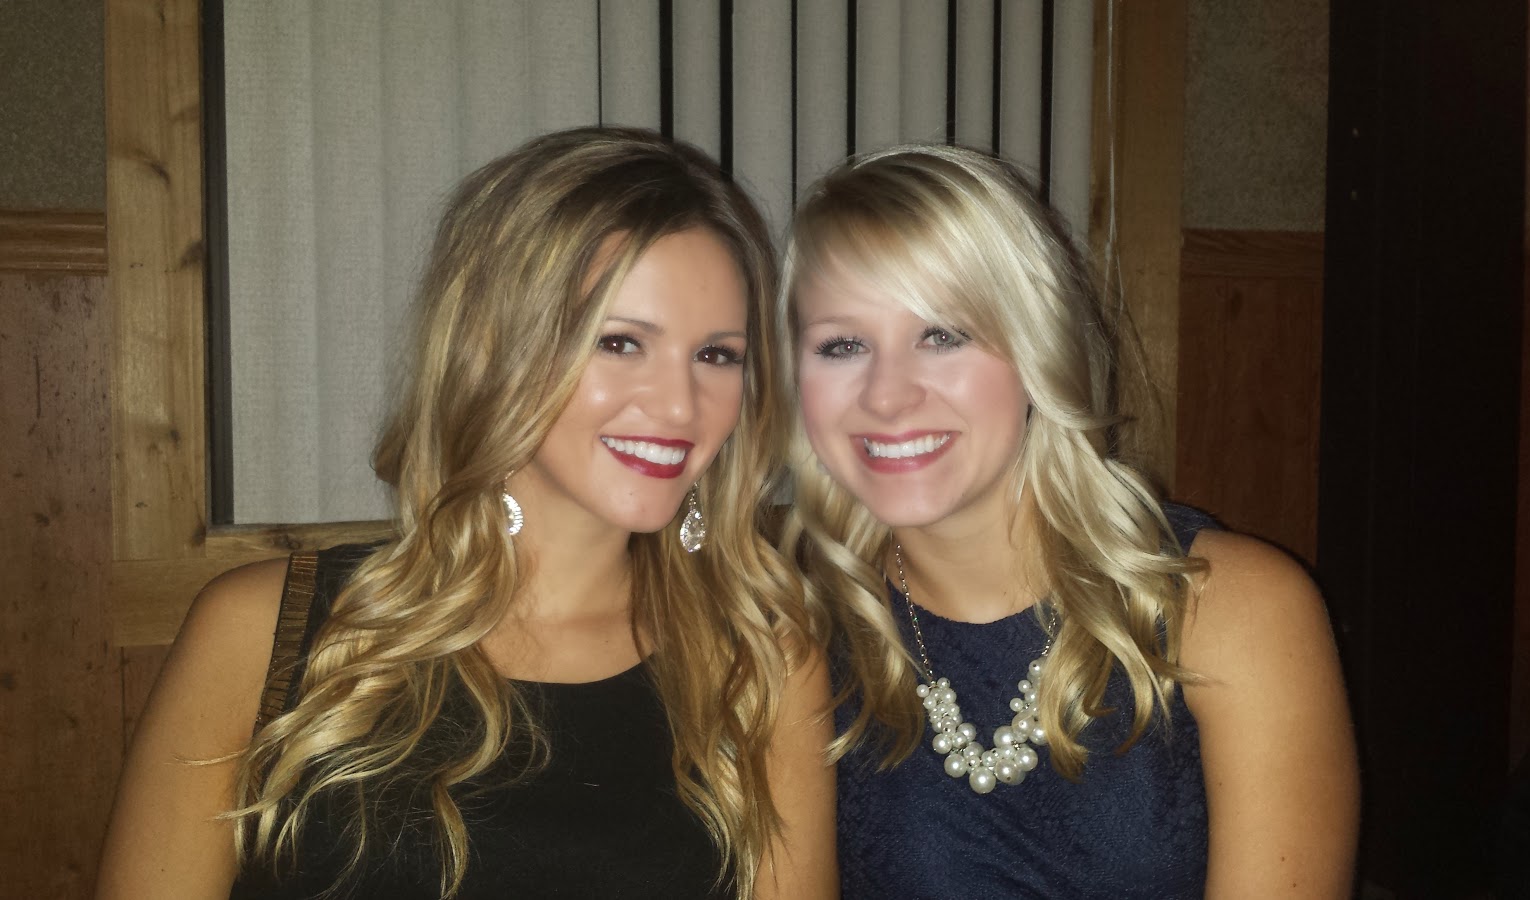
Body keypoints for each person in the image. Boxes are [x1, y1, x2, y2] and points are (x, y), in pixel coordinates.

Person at [96, 127, 836, 900]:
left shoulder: (764, 663)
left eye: (717, 355)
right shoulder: (261, 631)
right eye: (619, 343)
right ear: (490, 349)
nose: (681, 405)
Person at [776, 144, 1358, 897]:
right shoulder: (790, 632)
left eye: (943, 334)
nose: (886, 395)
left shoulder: (1234, 610)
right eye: (843, 345)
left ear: (1037, 347)